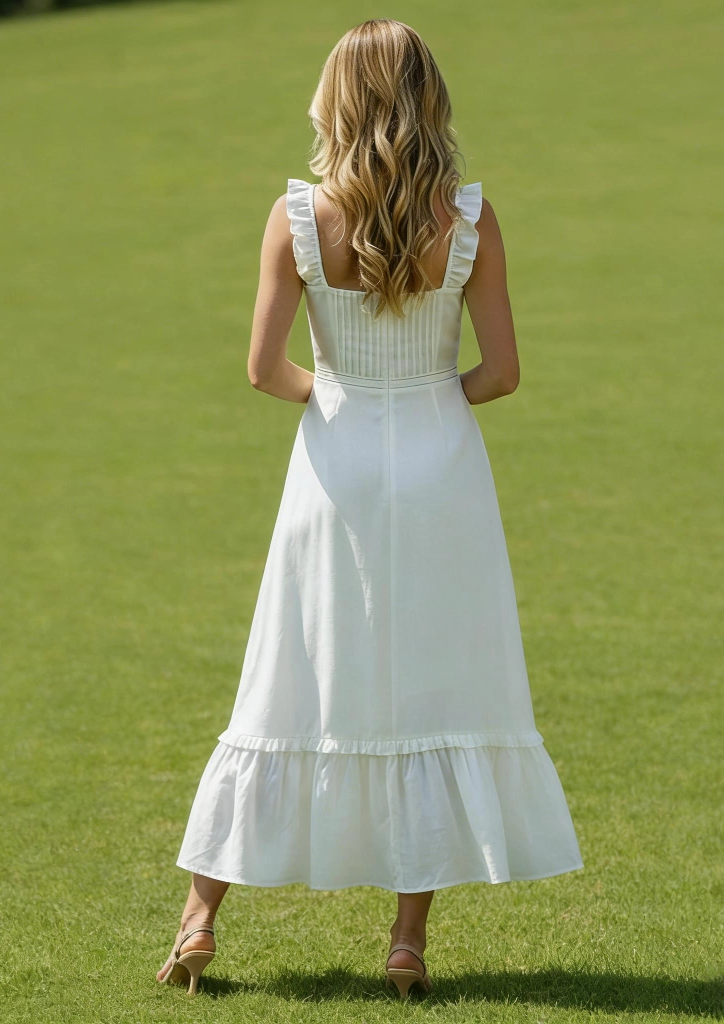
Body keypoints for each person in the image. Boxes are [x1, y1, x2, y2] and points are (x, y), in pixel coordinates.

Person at [157, 18, 584, 1000]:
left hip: (334, 470)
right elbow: (503, 373)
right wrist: (426, 402)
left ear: (336, 100)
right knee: (428, 687)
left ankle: (199, 917)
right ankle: (405, 941)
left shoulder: (297, 218)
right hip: (442, 474)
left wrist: (343, 402)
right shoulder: (468, 219)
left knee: (285, 678)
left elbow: (263, 369)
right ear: (430, 98)